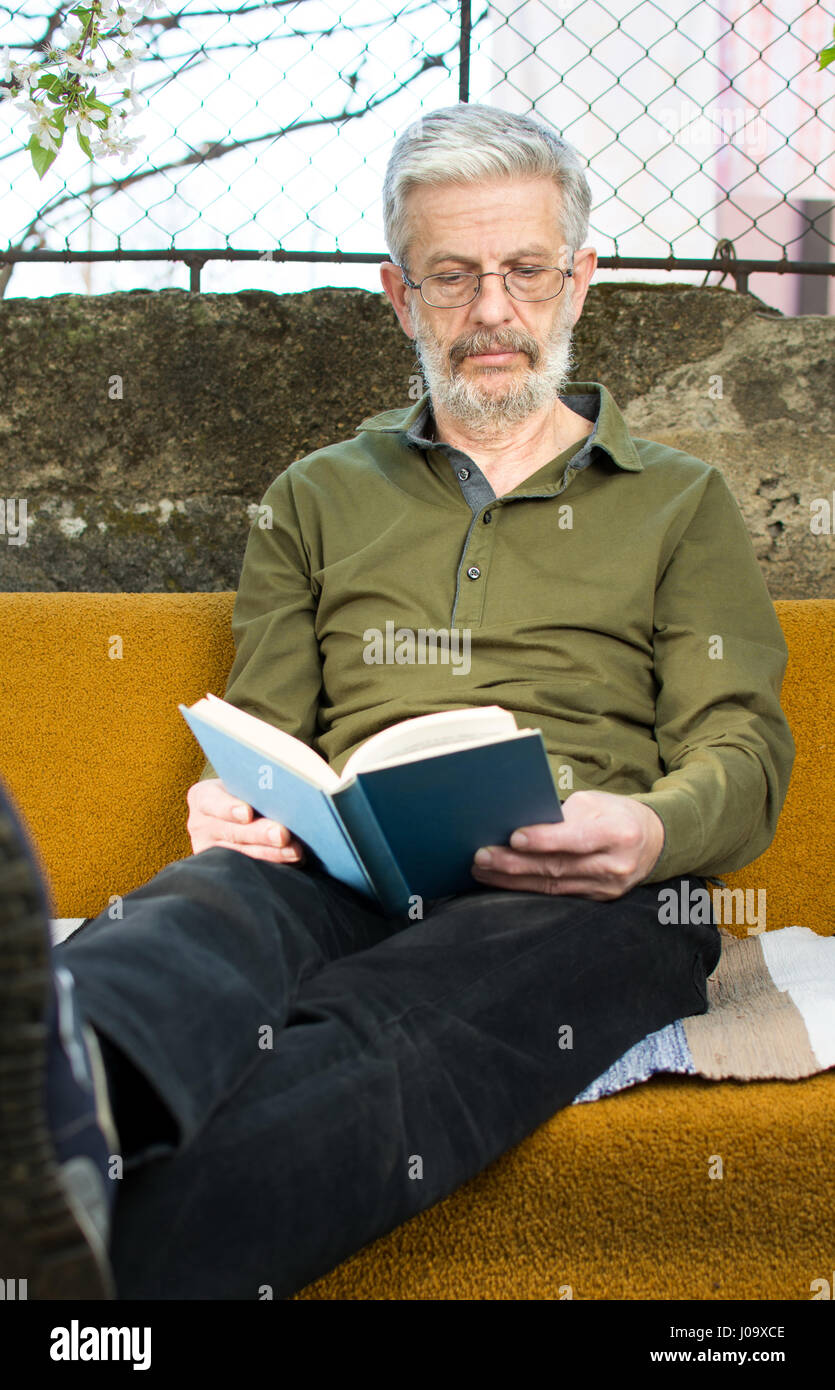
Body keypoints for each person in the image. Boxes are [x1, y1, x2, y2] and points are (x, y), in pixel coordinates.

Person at [0, 104, 794, 1301]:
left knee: (393, 1027)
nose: (490, 311)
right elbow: (263, 731)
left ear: (579, 280)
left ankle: (94, 1282)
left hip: (591, 886)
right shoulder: (316, 495)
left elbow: (743, 742)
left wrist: (650, 830)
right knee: (199, 912)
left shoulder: (678, 502)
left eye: (525, 271)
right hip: (347, 869)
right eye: (452, 276)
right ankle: (52, 1120)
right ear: (396, 293)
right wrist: (235, 805)